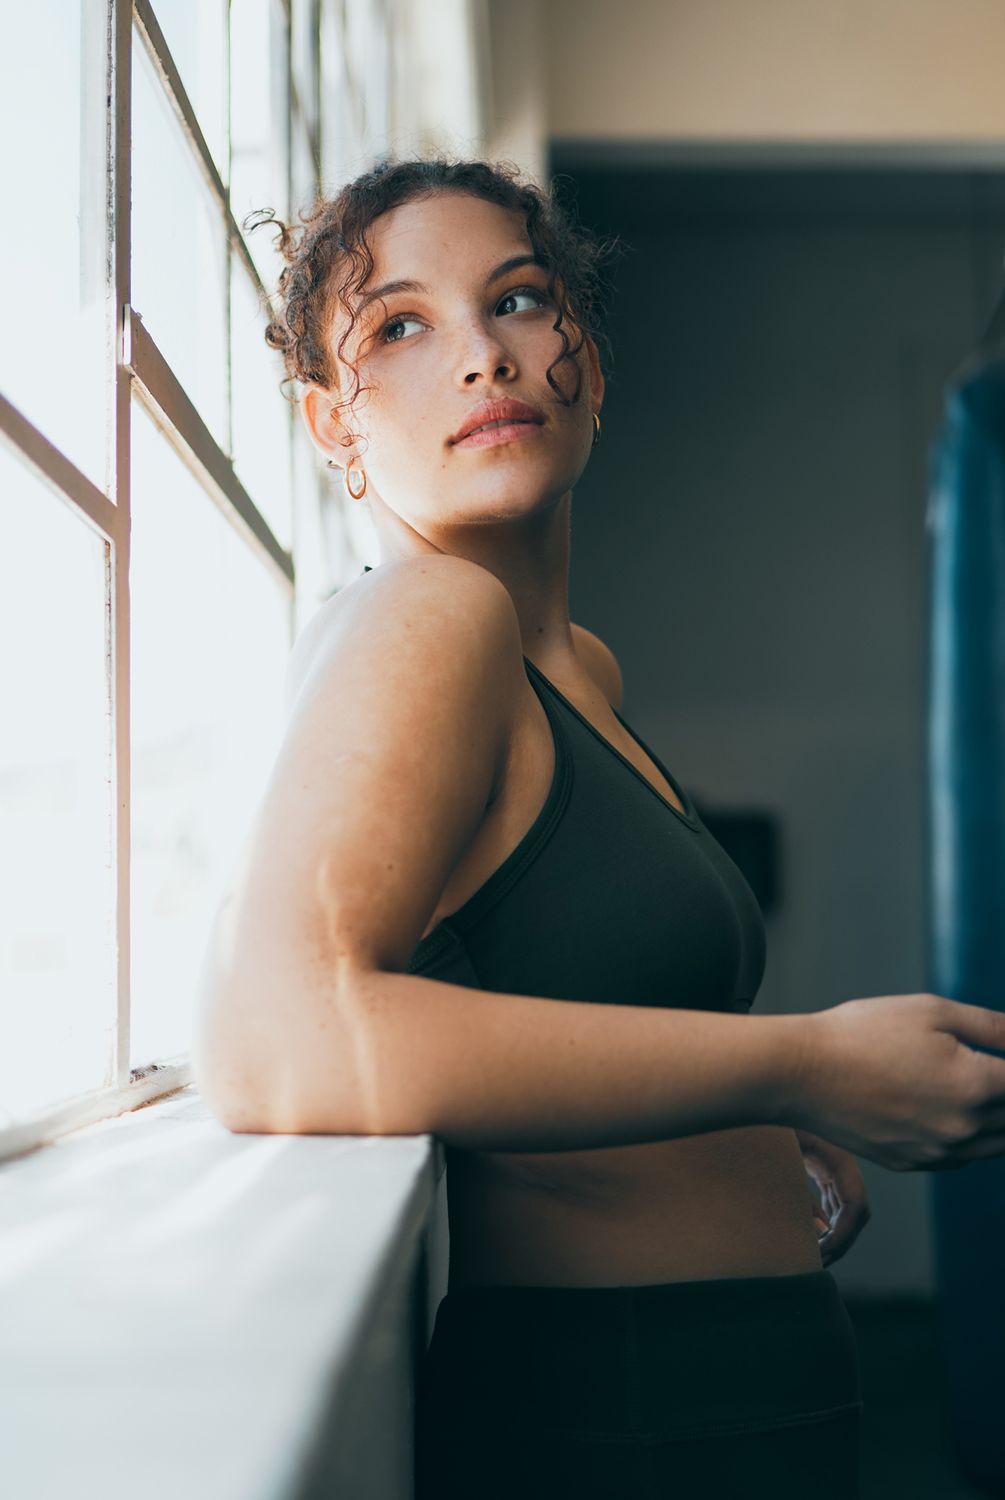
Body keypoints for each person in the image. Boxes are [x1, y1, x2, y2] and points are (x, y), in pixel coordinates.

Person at [192, 157, 1005, 1499]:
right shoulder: (427, 616)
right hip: (618, 1402)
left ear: (592, 365)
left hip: (733, 1375)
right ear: (331, 425)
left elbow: (540, 990)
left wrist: (743, 1131)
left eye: (517, 300)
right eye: (400, 326)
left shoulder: (570, 667)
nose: (480, 357)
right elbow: (280, 1043)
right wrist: (796, 1069)